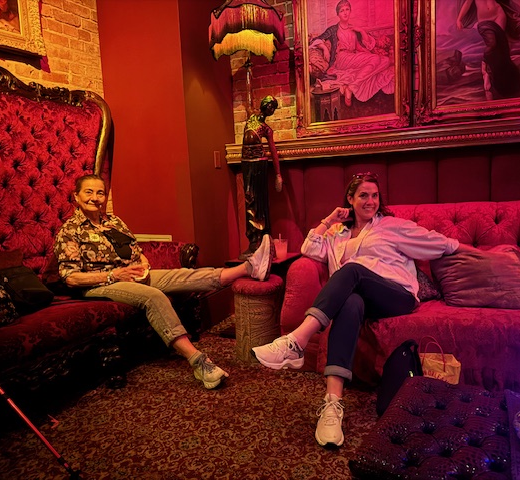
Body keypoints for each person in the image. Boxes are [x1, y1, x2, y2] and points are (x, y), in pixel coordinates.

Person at [252, 172, 471, 447]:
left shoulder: (390, 225)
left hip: (397, 295)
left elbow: (437, 242)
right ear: (350, 199)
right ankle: (332, 405)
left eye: (375, 195)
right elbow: (309, 248)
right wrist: (329, 220)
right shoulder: (338, 235)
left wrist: (473, 252)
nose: (371, 201)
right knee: (350, 302)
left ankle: (297, 340)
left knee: (352, 270)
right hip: (365, 300)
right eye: (364, 195)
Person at [53, 174, 273, 390]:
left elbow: (136, 250)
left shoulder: (114, 222)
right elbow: (70, 277)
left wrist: (143, 265)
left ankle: (249, 268)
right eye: (89, 192)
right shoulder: (70, 231)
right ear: (76, 196)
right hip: (100, 284)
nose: (95, 198)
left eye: (100, 193)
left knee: (183, 275)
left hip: (131, 275)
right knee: (153, 296)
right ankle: (198, 362)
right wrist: (115, 275)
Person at [310, 0, 395, 107]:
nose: (345, 13)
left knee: (385, 60)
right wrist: (324, 48)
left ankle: (352, 86)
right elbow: (315, 40)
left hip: (353, 57)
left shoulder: (353, 29)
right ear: (338, 14)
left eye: (347, 10)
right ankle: (352, 87)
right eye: (342, 11)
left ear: (350, 11)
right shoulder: (333, 29)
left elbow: (363, 46)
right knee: (375, 59)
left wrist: (361, 31)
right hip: (341, 59)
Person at [456, 0, 520, 99]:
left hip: (499, 14)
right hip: (484, 20)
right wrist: (459, 19)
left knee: (501, 47)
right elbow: (468, 3)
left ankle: (504, 80)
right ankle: (485, 68)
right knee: (492, 45)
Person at [241, 95, 282, 258]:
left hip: (259, 165)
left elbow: (273, 151)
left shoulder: (267, 129)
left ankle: (260, 240)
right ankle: (252, 239)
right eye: (270, 105)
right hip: (246, 163)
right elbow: (248, 96)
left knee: (258, 201)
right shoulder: (251, 117)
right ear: (263, 104)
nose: (271, 109)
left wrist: (278, 175)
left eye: (274, 108)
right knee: (248, 199)